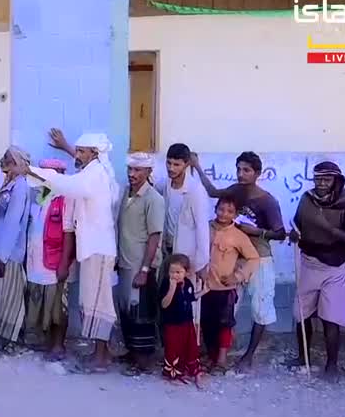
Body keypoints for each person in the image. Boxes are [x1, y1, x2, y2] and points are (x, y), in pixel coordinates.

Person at [30, 132, 119, 372]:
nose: (76, 155)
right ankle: (100, 353)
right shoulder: (92, 171)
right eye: (76, 150)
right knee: (91, 301)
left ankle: (102, 356)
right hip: (92, 249)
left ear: (94, 153)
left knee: (100, 303)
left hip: (98, 248)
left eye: (81, 151)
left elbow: (68, 184)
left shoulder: (96, 175)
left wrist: (29, 170)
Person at [193, 151, 285, 372]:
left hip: (259, 258)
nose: (241, 174)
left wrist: (257, 231)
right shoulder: (234, 191)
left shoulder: (267, 201)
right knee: (225, 310)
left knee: (260, 307)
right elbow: (213, 192)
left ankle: (249, 355)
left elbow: (280, 233)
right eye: (239, 169)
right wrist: (196, 165)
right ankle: (216, 354)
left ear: (257, 173)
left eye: (247, 170)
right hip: (233, 259)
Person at [289, 161, 345, 380]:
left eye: (326, 179)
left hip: (336, 266)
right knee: (302, 314)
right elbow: (298, 223)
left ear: (336, 181)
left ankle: (332, 364)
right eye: (317, 179)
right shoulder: (307, 198)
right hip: (309, 261)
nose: (321, 183)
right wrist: (295, 234)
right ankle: (303, 358)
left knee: (331, 318)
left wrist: (327, 228)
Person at [113, 152, 165, 374]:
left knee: (141, 311)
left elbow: (154, 236)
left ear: (148, 172)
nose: (132, 174)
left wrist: (145, 269)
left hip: (141, 265)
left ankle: (143, 361)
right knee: (126, 310)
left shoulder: (154, 199)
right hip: (125, 262)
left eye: (137, 170)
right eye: (130, 169)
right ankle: (132, 353)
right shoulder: (126, 193)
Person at [24, 158, 77, 360]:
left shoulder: (66, 198)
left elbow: (69, 233)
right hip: (37, 260)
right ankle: (43, 340)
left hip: (56, 261)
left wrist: (64, 263)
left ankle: (58, 344)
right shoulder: (39, 195)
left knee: (57, 306)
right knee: (39, 300)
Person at [202, 196, 260, 374]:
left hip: (225, 289)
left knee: (224, 324)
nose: (224, 214)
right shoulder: (204, 229)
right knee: (206, 323)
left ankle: (221, 360)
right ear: (215, 209)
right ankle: (209, 356)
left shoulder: (238, 236)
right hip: (203, 287)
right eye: (221, 209)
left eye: (229, 211)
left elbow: (254, 258)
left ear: (235, 215)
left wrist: (238, 276)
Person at [0, 146, 31, 352]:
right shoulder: (10, 184)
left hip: (10, 253)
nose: (4, 161)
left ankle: (12, 340)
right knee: (3, 295)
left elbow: (14, 222)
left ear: (17, 163)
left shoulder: (21, 187)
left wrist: (3, 257)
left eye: (9, 159)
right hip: (1, 249)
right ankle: (4, 336)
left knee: (12, 297)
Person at [159, 144, 210, 282]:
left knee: (186, 300)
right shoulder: (165, 185)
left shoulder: (196, 191)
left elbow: (202, 228)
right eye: (168, 163)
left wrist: (201, 263)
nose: (171, 168)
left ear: (186, 164)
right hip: (167, 253)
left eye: (176, 164)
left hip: (187, 258)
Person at [161, 254, 206, 387]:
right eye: (172, 272)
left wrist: (204, 291)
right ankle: (173, 374)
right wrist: (172, 288)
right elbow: (164, 304)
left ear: (186, 272)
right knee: (173, 348)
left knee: (190, 346)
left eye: (179, 272)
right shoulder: (166, 284)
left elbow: (191, 298)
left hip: (187, 322)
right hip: (173, 324)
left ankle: (193, 371)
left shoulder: (188, 284)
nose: (175, 275)